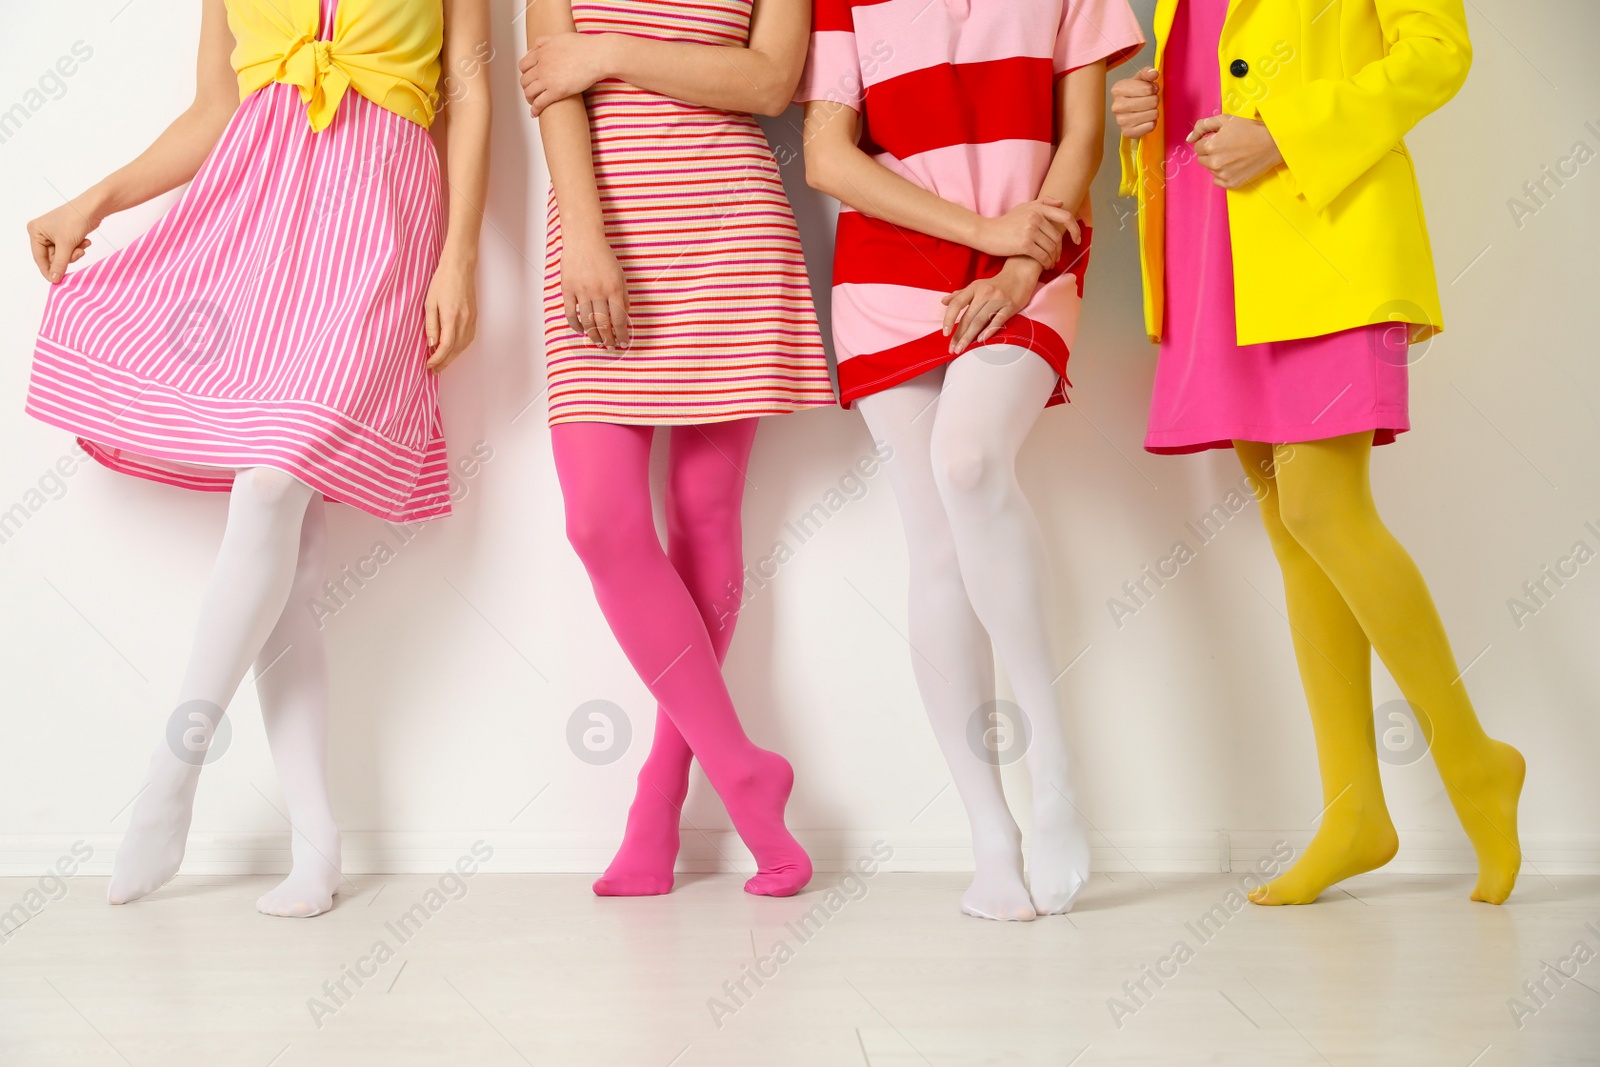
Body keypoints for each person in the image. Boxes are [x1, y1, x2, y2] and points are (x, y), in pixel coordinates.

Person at [24, 0, 492, 917]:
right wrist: (95, 198)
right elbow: (213, 110)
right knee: (292, 551)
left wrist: (460, 257)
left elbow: (468, 92)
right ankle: (317, 842)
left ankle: (171, 772)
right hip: (254, 222)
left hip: (377, 214)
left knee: (273, 478)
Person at [1112, 0, 1523, 904]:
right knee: (1292, 530)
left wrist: (1286, 134)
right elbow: (1217, 65)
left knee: (1321, 508)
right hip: (1217, 242)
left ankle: (1475, 762)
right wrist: (1145, 113)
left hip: (1325, 229)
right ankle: (1354, 810)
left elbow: (1436, 53)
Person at [798, 0, 1145, 920]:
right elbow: (829, 156)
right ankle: (992, 836)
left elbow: (1082, 141)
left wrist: (1020, 264)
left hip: (1030, 260)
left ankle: (1056, 769)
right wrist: (979, 232)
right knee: (937, 548)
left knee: (968, 460)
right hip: (887, 273)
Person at [521, 0, 836, 897]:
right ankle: (742, 768)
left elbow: (770, 80)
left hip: (728, 227)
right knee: (600, 525)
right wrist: (584, 233)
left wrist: (609, 49)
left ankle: (658, 799)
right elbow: (552, 80)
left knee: (703, 521)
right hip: (599, 237)